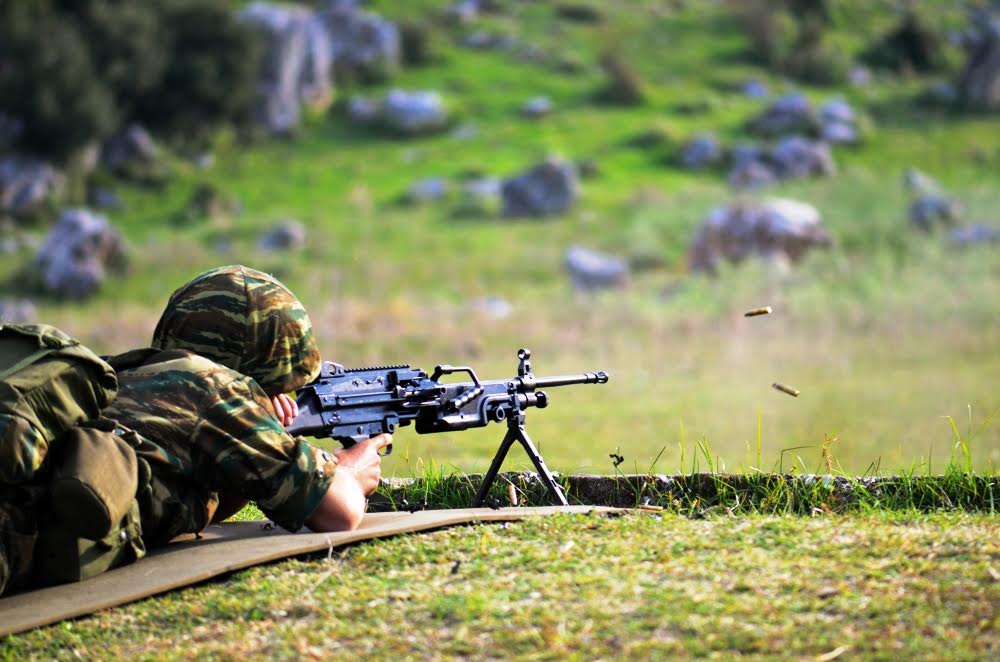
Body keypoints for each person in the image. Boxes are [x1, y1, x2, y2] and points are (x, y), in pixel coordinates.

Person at [103, 265, 388, 546]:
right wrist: (351, 470)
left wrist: (259, 425)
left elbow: (189, 501)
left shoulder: (119, 374)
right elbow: (339, 513)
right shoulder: (213, 390)